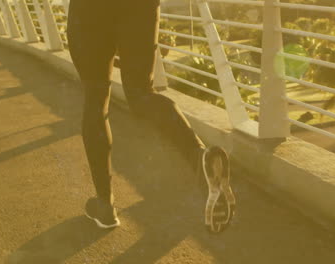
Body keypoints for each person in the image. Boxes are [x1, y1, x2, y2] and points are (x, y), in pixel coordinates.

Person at [66, 0, 235, 233]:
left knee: (95, 99)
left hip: (90, 10)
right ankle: (198, 156)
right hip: (139, 6)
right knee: (141, 92)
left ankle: (105, 205)